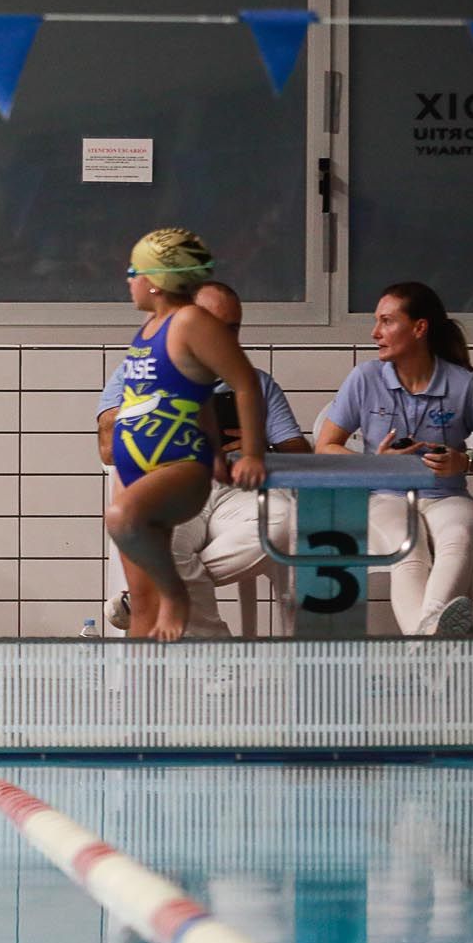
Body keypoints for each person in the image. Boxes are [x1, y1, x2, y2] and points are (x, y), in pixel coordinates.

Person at [95, 280, 312, 637]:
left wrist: (259, 445)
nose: (225, 337)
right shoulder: (140, 370)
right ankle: (217, 658)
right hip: (171, 487)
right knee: (162, 543)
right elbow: (106, 448)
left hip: (237, 491)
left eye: (234, 328)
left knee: (286, 522)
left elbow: (302, 458)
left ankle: (149, 595)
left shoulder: (256, 383)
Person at [318, 282, 473, 637]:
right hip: (385, 497)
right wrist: (375, 464)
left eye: (387, 321)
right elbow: (325, 446)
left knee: (457, 537)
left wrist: (465, 461)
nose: (375, 332)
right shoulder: (364, 379)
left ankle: (424, 645)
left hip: (447, 495)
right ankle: (436, 638)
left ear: (419, 328)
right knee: (408, 552)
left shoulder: (464, 384)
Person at [102, 229, 268, 642]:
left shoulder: (192, 321)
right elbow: (200, 395)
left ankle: (178, 594)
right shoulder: (149, 328)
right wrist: (216, 447)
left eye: (134, 271)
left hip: (179, 466)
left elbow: (245, 383)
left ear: (157, 280)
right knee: (142, 606)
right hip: (135, 467)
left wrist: (249, 455)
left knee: (121, 519)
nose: (129, 280)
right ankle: (137, 703)